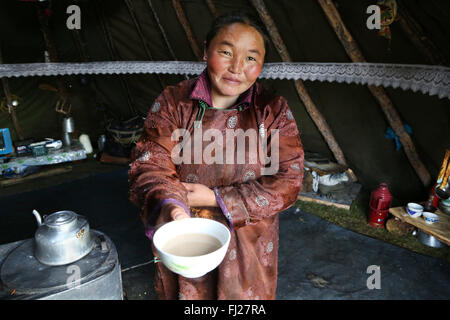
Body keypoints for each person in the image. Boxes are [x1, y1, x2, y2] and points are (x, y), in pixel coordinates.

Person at [128, 11, 304, 300]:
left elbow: (289, 181)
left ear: (261, 64)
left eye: (251, 58)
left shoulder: (272, 110)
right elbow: (152, 162)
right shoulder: (174, 102)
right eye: (226, 52)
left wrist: (215, 198)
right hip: (186, 230)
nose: (237, 67)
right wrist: (174, 207)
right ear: (206, 50)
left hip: (250, 239)